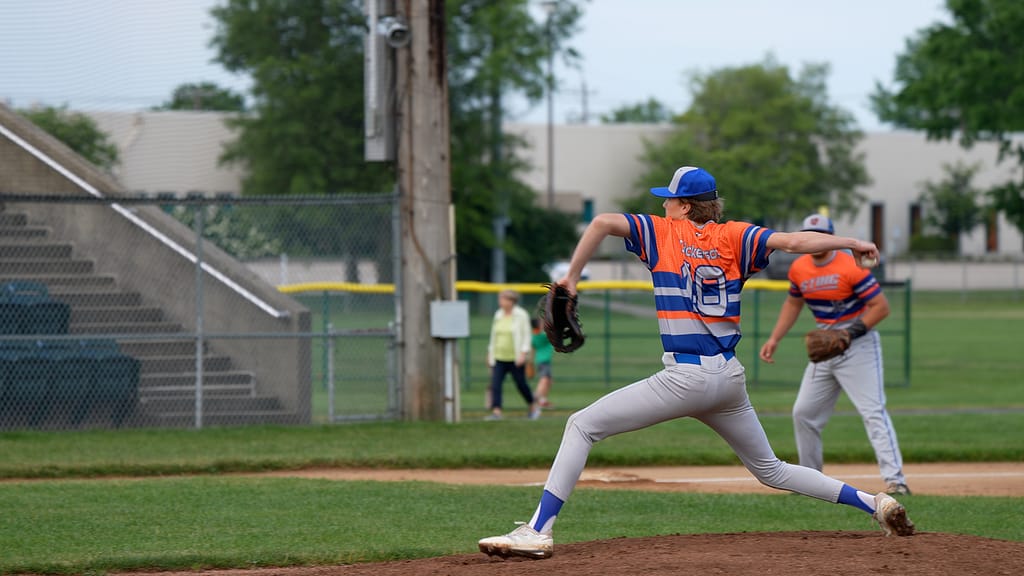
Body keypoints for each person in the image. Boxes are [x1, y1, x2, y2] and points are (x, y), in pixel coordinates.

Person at [478, 166, 914, 560]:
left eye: (669, 199)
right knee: (771, 469)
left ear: (685, 206)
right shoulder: (736, 236)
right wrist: (852, 242)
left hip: (685, 378)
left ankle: (538, 530)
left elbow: (601, 222)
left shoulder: (662, 233)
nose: (663, 206)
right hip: (727, 379)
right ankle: (875, 503)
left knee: (581, 425)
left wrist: (571, 276)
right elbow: (796, 242)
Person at [759, 214, 910, 496]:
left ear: (831, 237)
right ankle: (809, 481)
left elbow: (881, 307)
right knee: (803, 413)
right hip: (825, 345)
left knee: (873, 411)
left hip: (858, 346)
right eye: (810, 233)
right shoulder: (800, 267)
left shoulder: (851, 266)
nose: (816, 239)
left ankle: (896, 481)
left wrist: (849, 333)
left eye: (821, 234)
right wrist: (774, 338)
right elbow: (793, 304)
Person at [485, 289, 540, 421]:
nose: (500, 302)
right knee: (496, 384)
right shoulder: (498, 314)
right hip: (499, 356)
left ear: (511, 301)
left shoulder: (521, 315)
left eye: (503, 299)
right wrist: (490, 353)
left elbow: (526, 335)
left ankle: (533, 406)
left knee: (521, 384)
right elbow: (494, 336)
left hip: (515, 358)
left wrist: (523, 353)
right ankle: (497, 411)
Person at [530, 317, 555, 408]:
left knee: (549, 381)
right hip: (544, 360)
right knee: (544, 379)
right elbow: (552, 333)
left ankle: (543, 400)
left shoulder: (533, 335)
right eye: (541, 323)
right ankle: (536, 396)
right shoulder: (543, 335)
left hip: (540, 359)